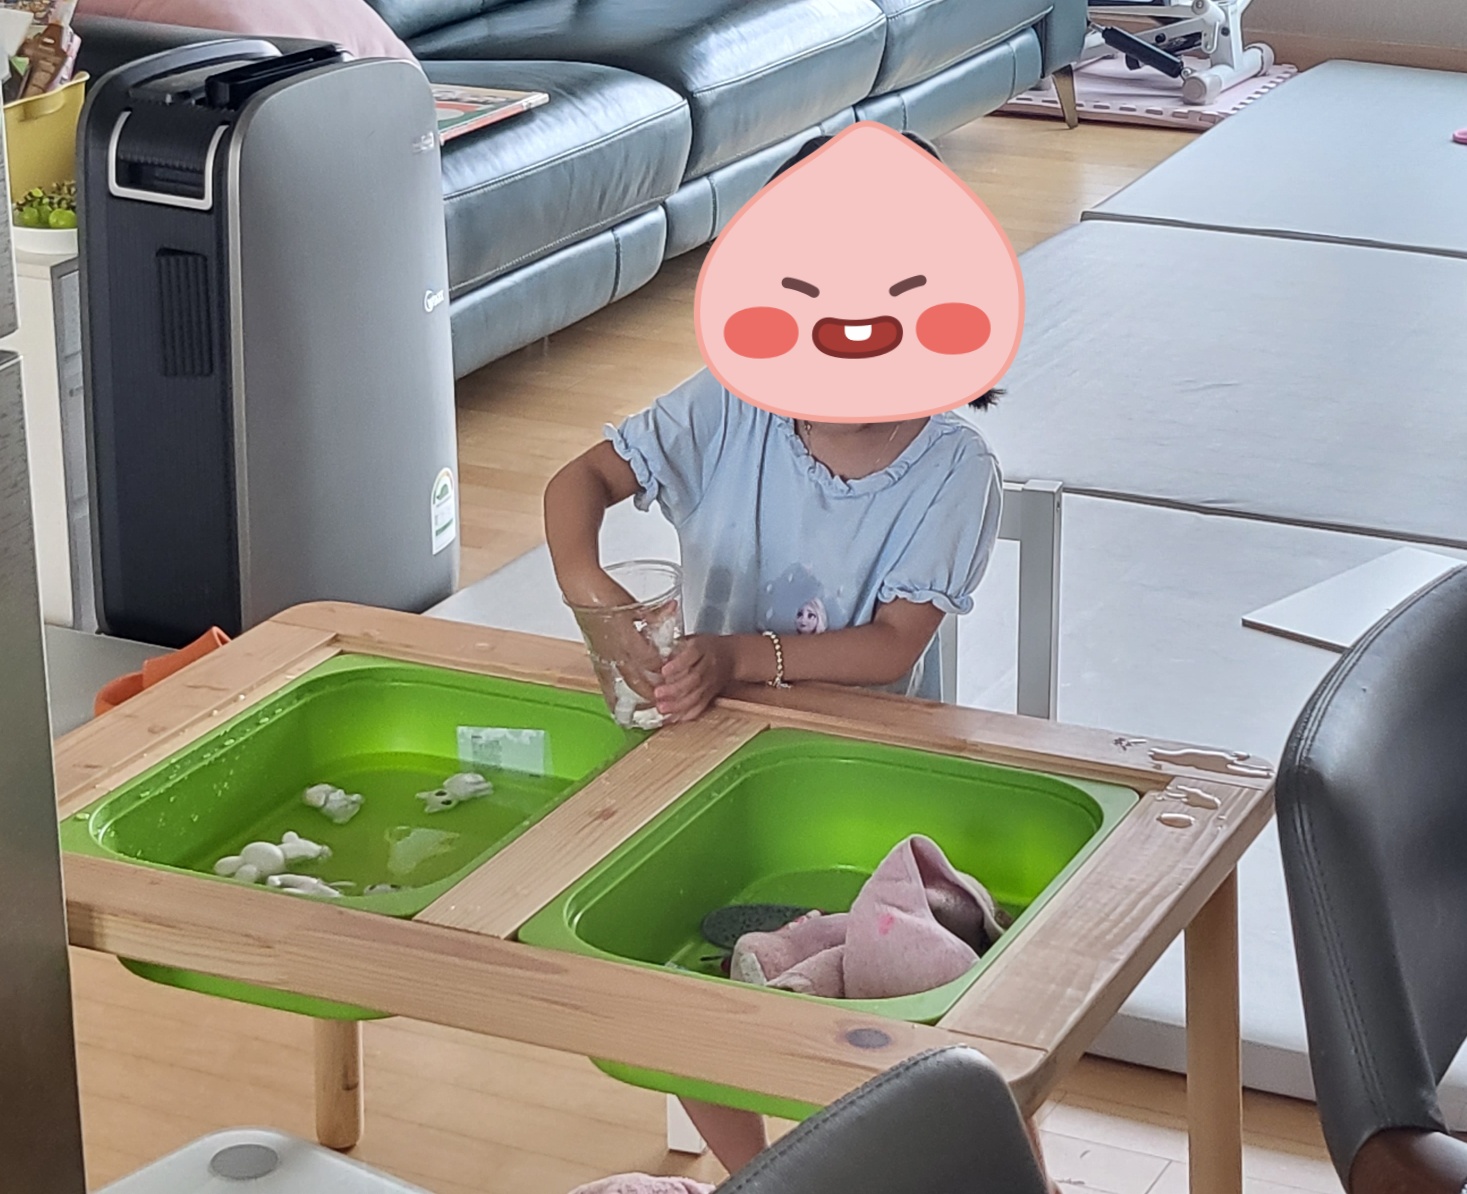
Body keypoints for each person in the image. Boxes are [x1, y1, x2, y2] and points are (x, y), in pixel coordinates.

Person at [543, 135, 1048, 1186]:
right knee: (658, 966)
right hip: (714, 742)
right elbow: (575, 484)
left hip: (865, 763)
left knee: (911, 984)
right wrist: (596, 600)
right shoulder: (728, 407)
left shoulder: (953, 468)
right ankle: (756, 1176)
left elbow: (893, 646)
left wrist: (733, 654)